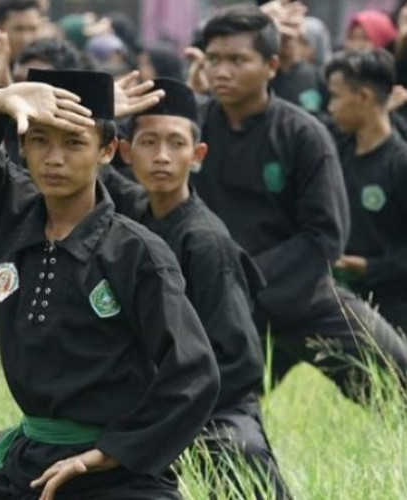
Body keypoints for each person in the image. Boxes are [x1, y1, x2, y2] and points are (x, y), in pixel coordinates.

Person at [0, 68, 219, 499]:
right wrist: (5, 96)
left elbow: (195, 372)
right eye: (40, 140)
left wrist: (105, 454)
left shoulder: (137, 252)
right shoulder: (14, 214)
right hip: (30, 462)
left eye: (73, 142)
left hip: (117, 473)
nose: (54, 158)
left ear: (107, 150)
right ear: (23, 146)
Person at [188, 5, 407, 400]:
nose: (221, 71)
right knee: (209, 409)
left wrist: (248, 275)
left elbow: (324, 235)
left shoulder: (302, 134)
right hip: (218, 300)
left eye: (237, 60)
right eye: (214, 59)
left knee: (394, 376)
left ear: (271, 65)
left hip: (300, 293)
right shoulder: (191, 128)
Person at [110, 77, 290, 498]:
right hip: (141, 400)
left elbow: (239, 362)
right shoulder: (134, 210)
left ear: (197, 155)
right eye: (148, 142)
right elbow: (87, 178)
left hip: (211, 406)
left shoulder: (206, 241)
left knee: (237, 452)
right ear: (123, 151)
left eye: (176, 144)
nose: (161, 157)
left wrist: (166, 409)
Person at [325, 49, 407, 336]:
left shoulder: (399, 163)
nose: (331, 107)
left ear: (363, 97)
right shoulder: (336, 150)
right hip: (339, 295)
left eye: (336, 97)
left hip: (393, 306)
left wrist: (370, 267)